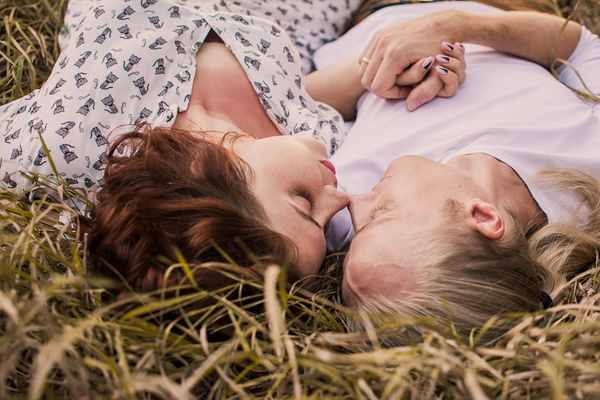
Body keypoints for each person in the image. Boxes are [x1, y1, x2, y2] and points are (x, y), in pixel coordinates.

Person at [0, 0, 463, 293]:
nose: (340, 199)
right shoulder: (319, 143)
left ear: (205, 172)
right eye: (324, 225)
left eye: (304, 202)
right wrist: (390, 69)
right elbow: (299, 92)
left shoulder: (71, 137)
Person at [311, 1, 600, 343]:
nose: (354, 202)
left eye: (356, 234)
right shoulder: (586, 163)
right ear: (482, 216)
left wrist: (378, 66)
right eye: (381, 214)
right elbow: (580, 47)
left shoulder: (334, 210)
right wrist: (452, 25)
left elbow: (298, 99)